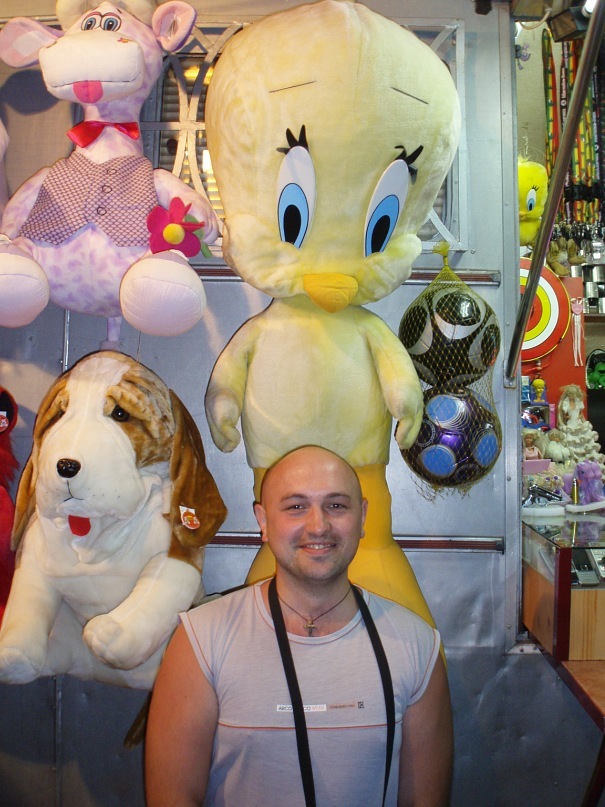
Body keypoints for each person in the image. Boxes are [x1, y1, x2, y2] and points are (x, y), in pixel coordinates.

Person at [145, 445, 453, 807]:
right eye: (295, 507)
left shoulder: (416, 646)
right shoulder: (201, 639)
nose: (318, 525)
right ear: (263, 521)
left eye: (336, 505)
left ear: (363, 517)